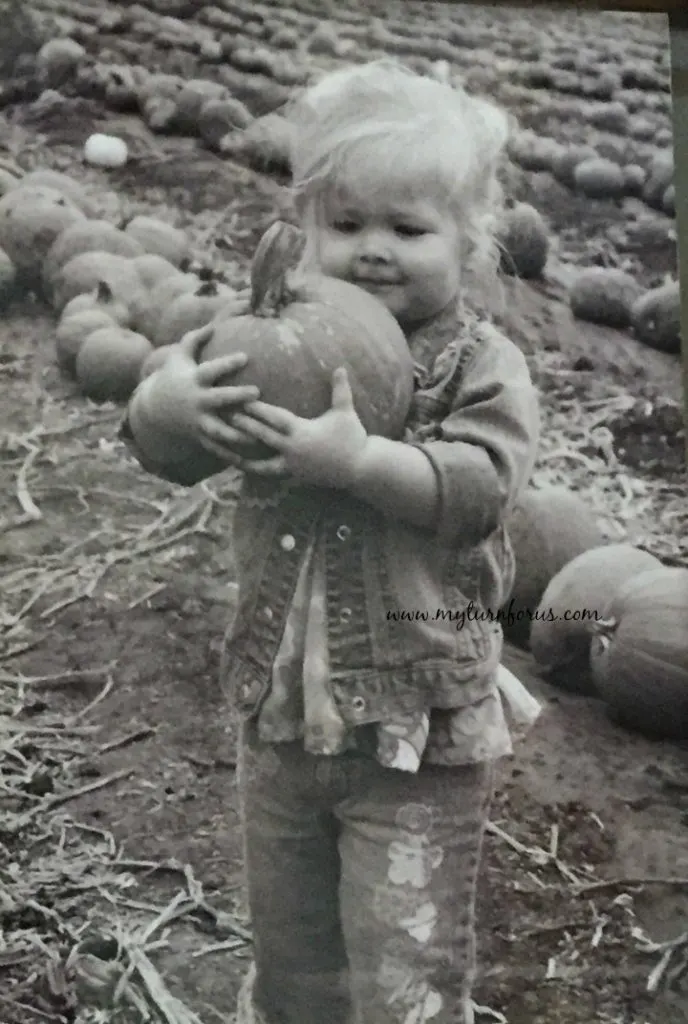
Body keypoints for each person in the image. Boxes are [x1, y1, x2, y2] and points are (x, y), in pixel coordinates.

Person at [120, 58, 542, 1024]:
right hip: (278, 716)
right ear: (301, 233)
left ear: (468, 242)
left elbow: (479, 490)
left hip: (413, 737)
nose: (373, 251)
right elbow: (165, 451)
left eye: (407, 228)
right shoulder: (265, 340)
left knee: (404, 971)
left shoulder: (481, 365)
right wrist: (168, 402)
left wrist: (361, 465)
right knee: (295, 961)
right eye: (345, 226)